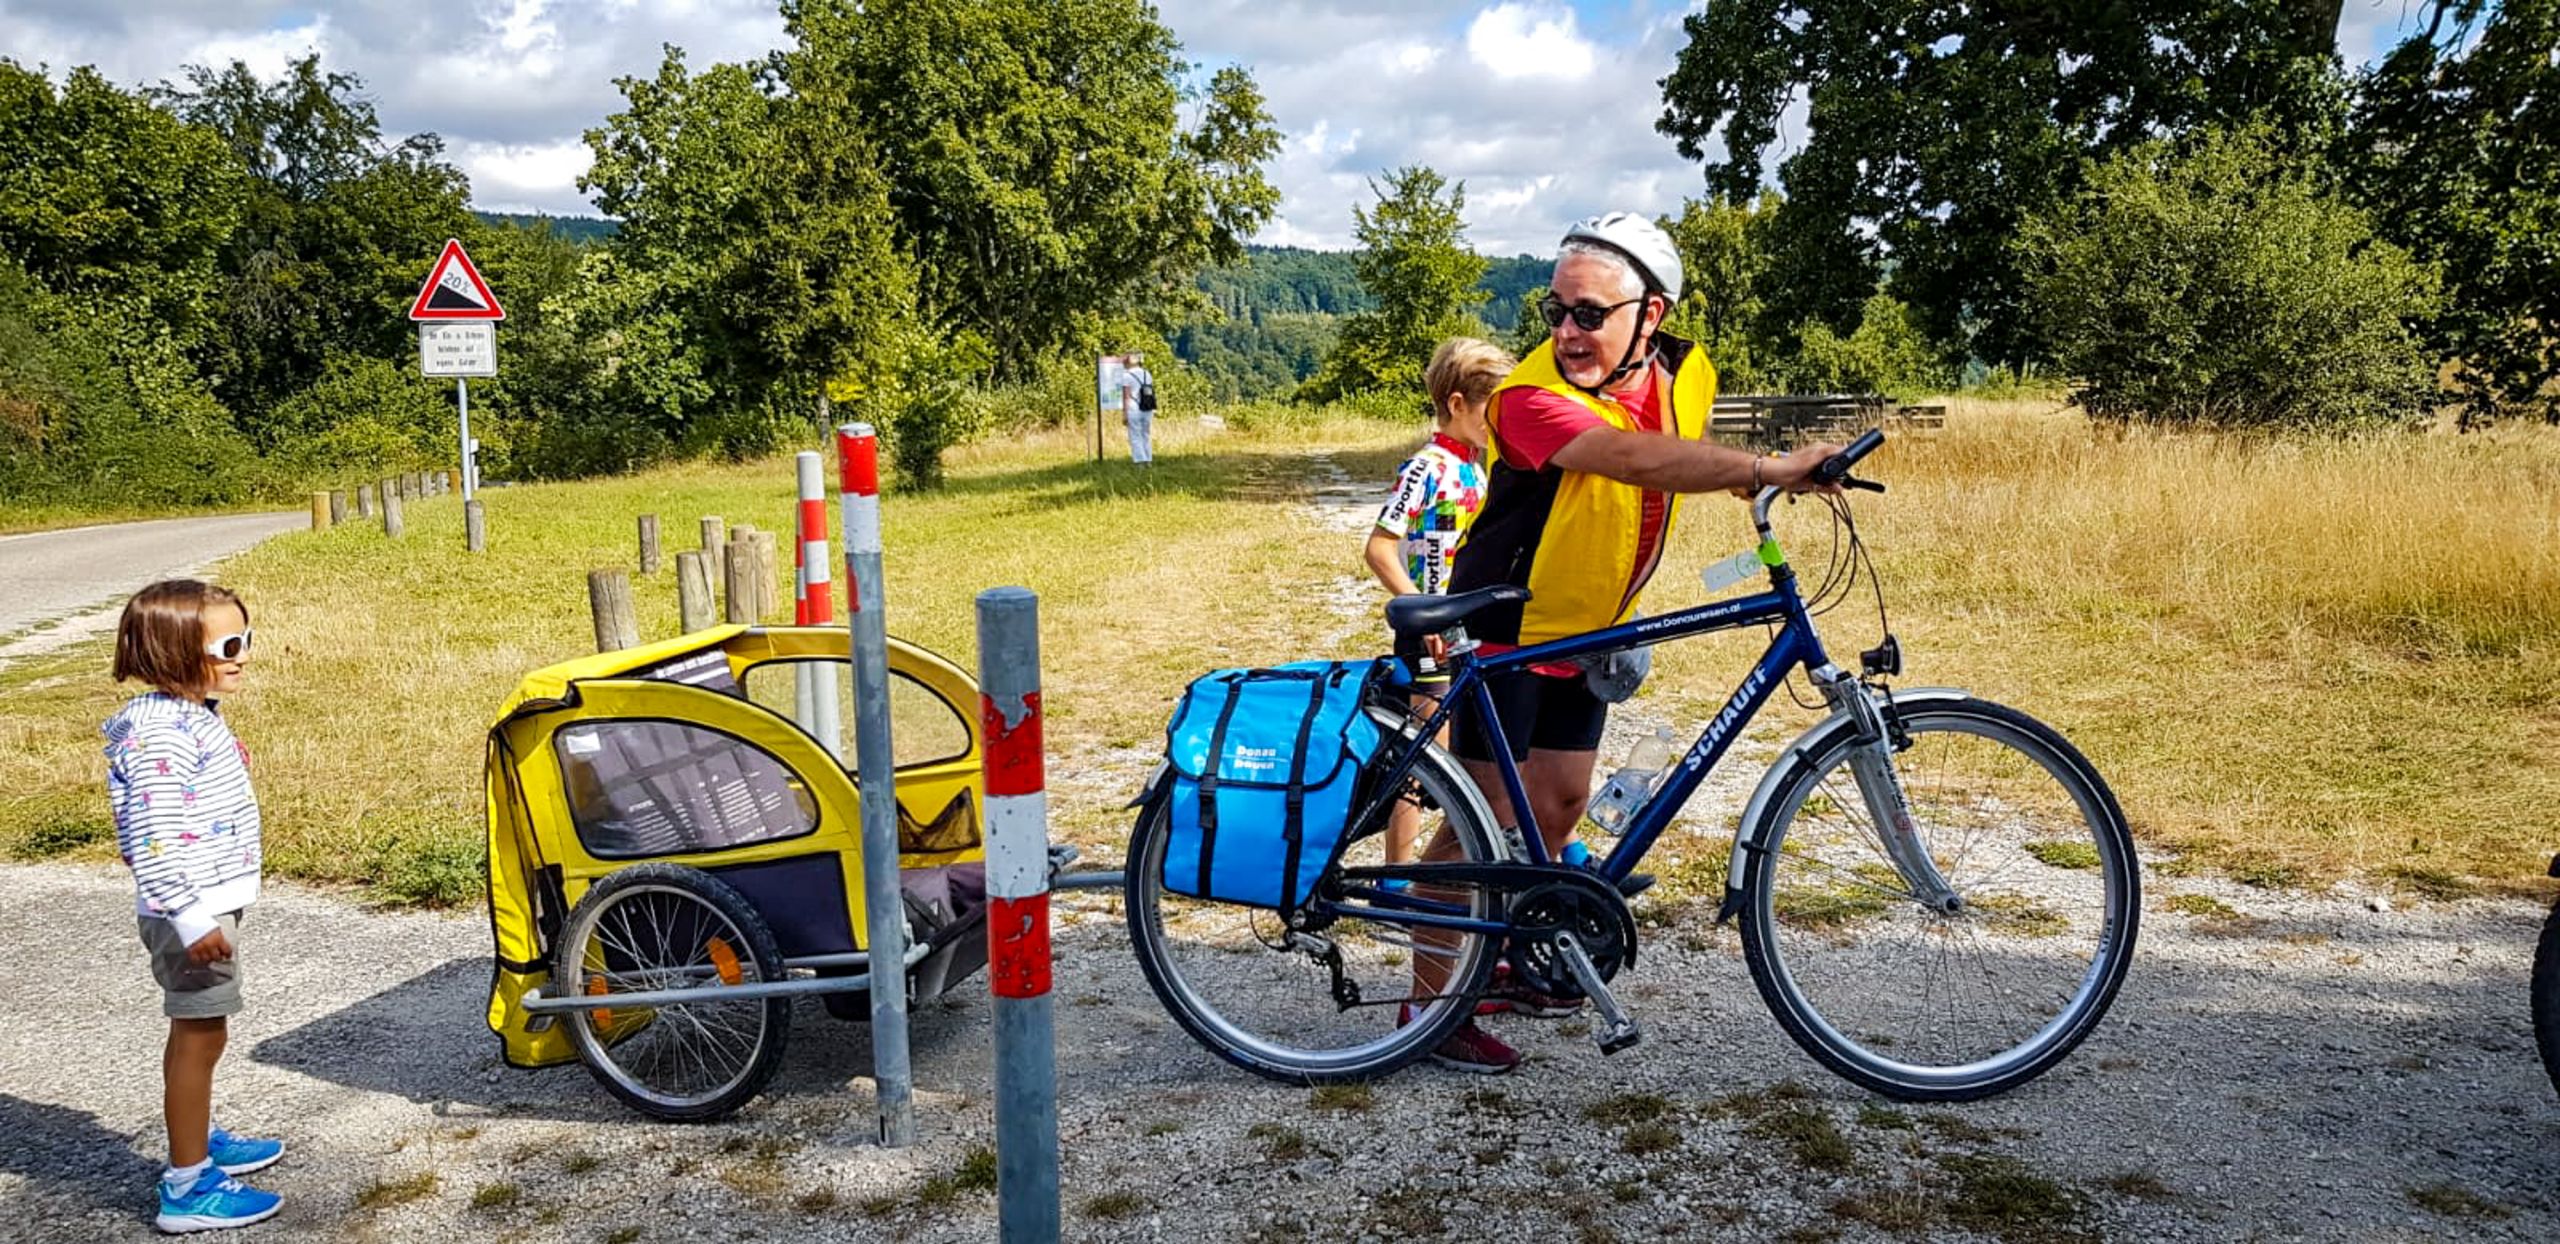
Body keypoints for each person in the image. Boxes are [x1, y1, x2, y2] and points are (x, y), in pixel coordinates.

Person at [1411, 213, 1843, 1074]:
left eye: (1590, 313)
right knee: (1479, 824)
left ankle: (1503, 956)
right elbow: (1629, 459)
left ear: (1652, 314)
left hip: (1590, 625)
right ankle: (1429, 1009)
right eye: (1556, 310)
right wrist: (1765, 469)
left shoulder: (1687, 369)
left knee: (1559, 806)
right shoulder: (1527, 398)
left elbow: (1675, 450)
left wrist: (1765, 480)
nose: (1568, 331)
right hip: (1507, 621)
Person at [105, 580, 285, 1233]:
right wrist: (189, 917)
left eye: (247, 640)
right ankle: (187, 1185)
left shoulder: (189, 715)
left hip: (204, 905)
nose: (242, 656)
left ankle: (198, 1135)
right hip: (190, 912)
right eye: (228, 644)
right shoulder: (161, 736)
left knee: (199, 1033)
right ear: (175, 649)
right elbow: (149, 839)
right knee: (200, 1033)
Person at [1362, 337, 1509, 873]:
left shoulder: (1477, 467)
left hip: (1467, 627)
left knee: (1471, 757)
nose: (1499, 423)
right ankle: (1400, 878)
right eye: (1493, 409)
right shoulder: (1425, 468)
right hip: (1427, 630)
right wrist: (1421, 608)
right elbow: (1379, 548)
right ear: (1456, 404)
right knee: (1425, 760)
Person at [1119, 352, 1157, 466]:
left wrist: (1124, 414)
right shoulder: (1147, 374)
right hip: (1147, 407)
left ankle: (1140, 461)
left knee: (1135, 435)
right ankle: (1148, 459)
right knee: (1145, 434)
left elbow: (1126, 396)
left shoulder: (1127, 376)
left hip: (1133, 408)